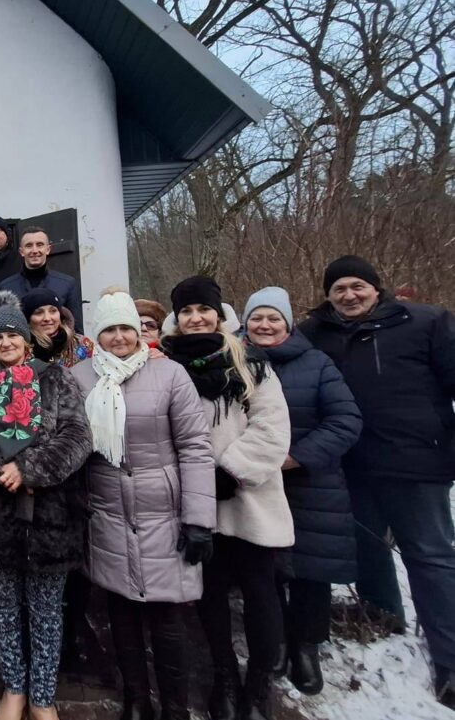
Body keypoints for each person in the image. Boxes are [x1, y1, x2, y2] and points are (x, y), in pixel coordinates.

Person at [298, 255, 455, 708]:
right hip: (349, 463)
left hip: (416, 462)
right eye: (339, 289)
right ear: (327, 295)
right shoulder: (315, 334)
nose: (349, 295)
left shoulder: (425, 322)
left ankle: (449, 658)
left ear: (375, 287)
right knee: (365, 544)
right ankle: (383, 615)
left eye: (356, 286)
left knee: (430, 555)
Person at [0, 292, 91, 720]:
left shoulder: (56, 379)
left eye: (13, 335)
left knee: (47, 610)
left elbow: (77, 436)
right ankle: (13, 687)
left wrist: (29, 468)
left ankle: (42, 695)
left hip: (51, 516)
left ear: (27, 339)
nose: (6, 343)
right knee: (4, 606)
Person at [71, 291, 214, 720]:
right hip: (107, 509)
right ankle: (137, 699)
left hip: (162, 512)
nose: (118, 337)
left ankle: (174, 705)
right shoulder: (80, 378)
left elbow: (195, 446)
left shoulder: (170, 374)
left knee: (169, 616)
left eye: (126, 329)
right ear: (98, 335)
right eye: (109, 330)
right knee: (121, 610)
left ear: (139, 332)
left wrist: (199, 519)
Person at [162, 276, 292, 720]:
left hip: (248, 496)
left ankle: (257, 687)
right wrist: (197, 484)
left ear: (219, 314)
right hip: (197, 502)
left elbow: (272, 429)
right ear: (176, 320)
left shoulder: (250, 364)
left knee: (260, 593)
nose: (195, 318)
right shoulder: (167, 367)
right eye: (186, 312)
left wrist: (229, 471)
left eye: (203, 310)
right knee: (210, 593)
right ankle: (224, 678)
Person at [242, 287, 361, 696]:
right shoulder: (236, 362)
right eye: (257, 318)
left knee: (312, 571)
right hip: (256, 481)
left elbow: (345, 419)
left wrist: (295, 457)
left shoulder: (316, 363)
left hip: (309, 481)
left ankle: (305, 646)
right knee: (266, 568)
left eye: (273, 318)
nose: (264, 325)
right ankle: (273, 640)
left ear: (288, 323)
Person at [0, 227, 84, 332]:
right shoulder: (7, 286)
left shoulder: (67, 284)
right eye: (29, 246)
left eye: (39, 245)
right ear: (21, 251)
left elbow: (76, 329)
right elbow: (2, 328)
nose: (34, 250)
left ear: (48, 249)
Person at [23, 289, 94, 368]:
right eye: (39, 313)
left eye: (53, 311)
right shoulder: (21, 349)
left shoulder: (82, 344)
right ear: (28, 319)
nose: (47, 318)